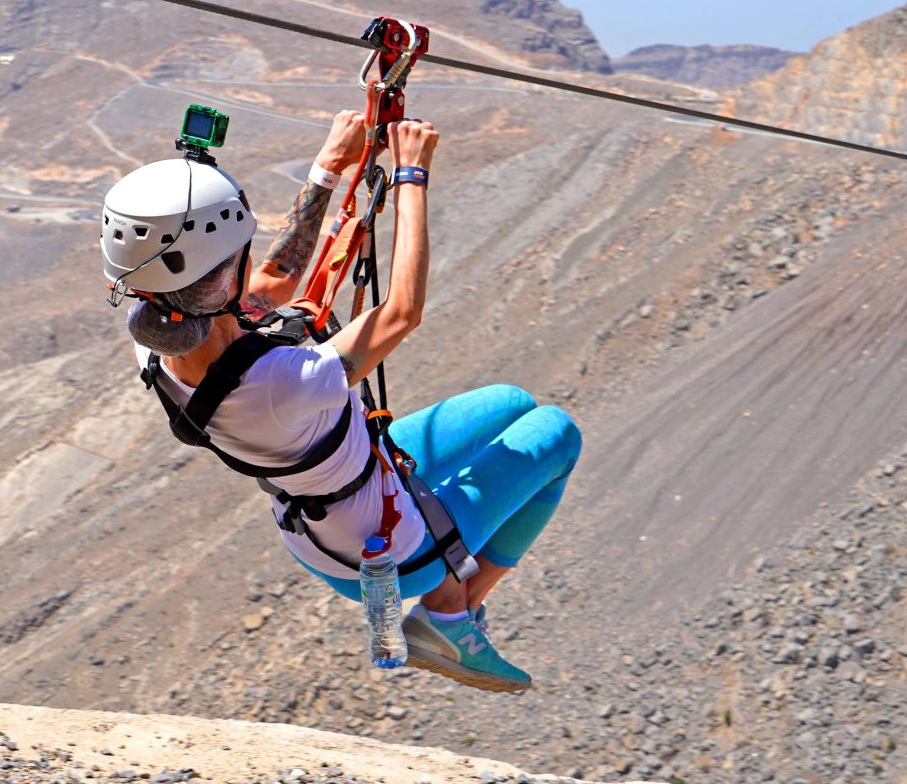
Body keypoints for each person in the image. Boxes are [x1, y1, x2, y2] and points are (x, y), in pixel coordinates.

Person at [103, 108, 579, 691]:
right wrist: (411, 176)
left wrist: (331, 165)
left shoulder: (157, 345)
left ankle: (445, 601)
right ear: (224, 277)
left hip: (323, 509)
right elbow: (400, 312)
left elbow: (276, 281)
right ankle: (451, 616)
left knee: (511, 402)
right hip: (380, 547)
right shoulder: (281, 381)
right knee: (556, 434)